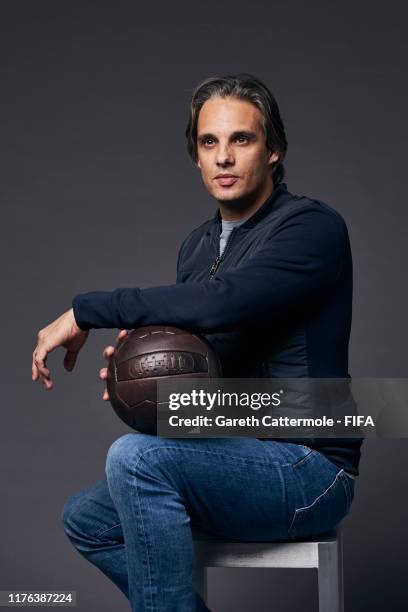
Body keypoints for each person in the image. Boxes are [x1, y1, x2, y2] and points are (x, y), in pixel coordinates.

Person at [32, 73, 362, 612]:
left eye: (242, 139)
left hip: (310, 469)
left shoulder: (313, 228)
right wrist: (141, 381)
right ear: (197, 156)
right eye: (210, 142)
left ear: (273, 149)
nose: (224, 157)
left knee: (136, 460)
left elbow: (223, 302)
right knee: (88, 519)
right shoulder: (198, 246)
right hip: (239, 454)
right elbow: (207, 365)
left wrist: (88, 310)